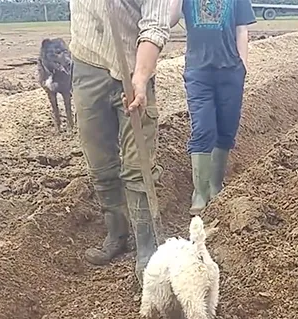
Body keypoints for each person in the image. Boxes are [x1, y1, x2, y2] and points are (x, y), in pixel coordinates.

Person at [68, 0, 171, 284]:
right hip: (88, 65)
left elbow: (155, 25)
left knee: (139, 164)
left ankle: (147, 246)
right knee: (100, 163)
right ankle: (117, 234)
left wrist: (139, 77)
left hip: (133, 66)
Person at [169, 0, 256, 215]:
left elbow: (241, 29)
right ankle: (199, 191)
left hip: (230, 70)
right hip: (198, 71)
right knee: (202, 128)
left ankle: (216, 186)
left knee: (226, 128)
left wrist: (242, 66)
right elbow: (170, 21)